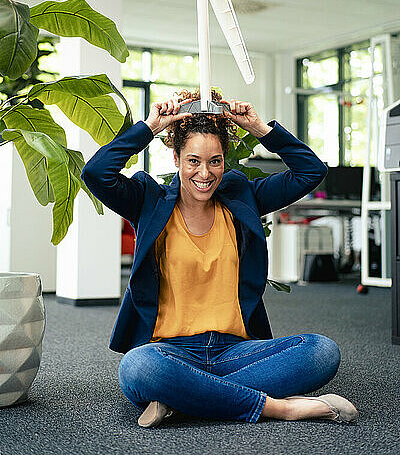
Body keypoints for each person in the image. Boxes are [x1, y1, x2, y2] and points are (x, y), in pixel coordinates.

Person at [80, 90, 359, 428]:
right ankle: (281, 408)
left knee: (321, 352)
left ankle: (183, 399)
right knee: (139, 368)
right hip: (169, 352)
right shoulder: (147, 200)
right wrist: (151, 126)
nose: (205, 173)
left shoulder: (243, 198)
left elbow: (310, 171)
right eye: (193, 160)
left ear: (224, 161)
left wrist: (259, 128)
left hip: (235, 352)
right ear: (176, 159)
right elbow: (96, 173)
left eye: (215, 161)